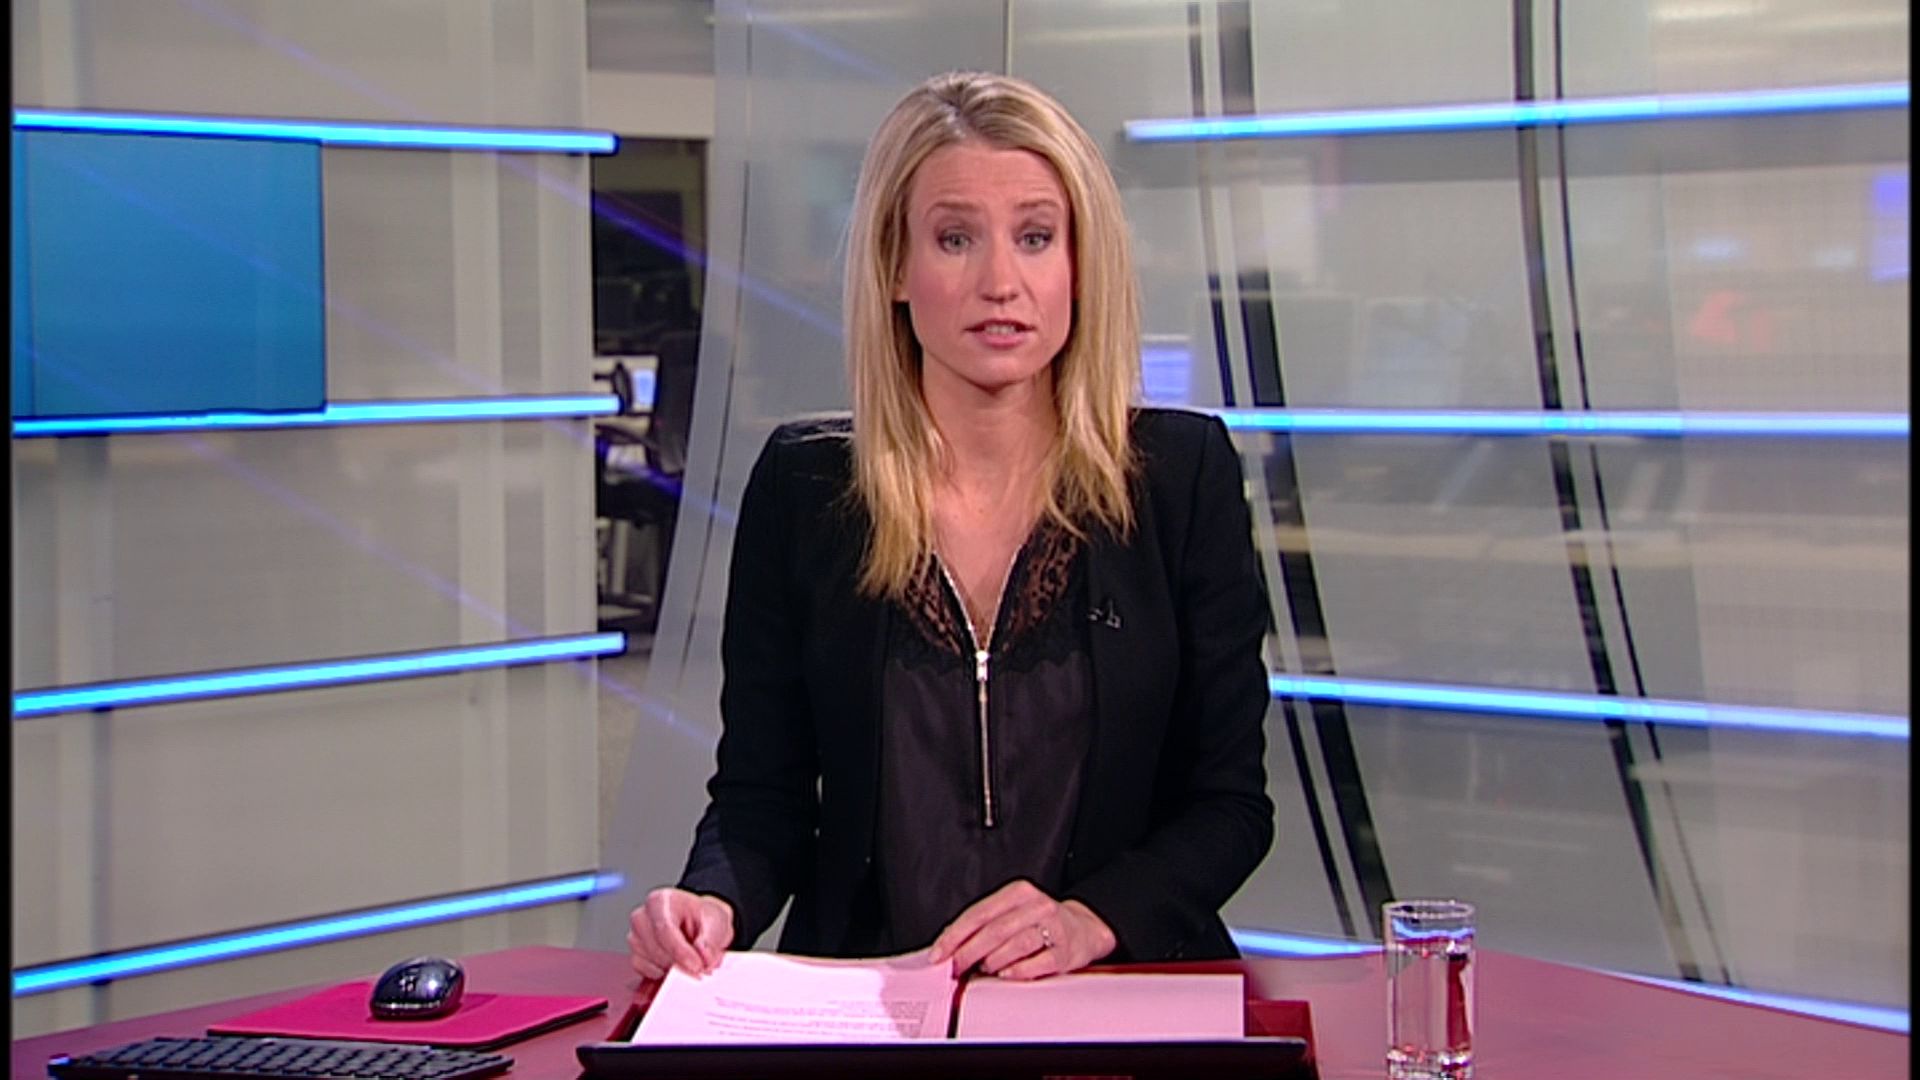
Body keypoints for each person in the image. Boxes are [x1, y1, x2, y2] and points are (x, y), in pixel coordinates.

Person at [627, 70, 1272, 983]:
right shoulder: (805, 489)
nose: (1001, 282)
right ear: (895, 266)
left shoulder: (1179, 477)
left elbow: (1229, 805)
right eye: (955, 238)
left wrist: (1090, 920)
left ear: (1080, 264)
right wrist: (711, 901)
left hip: (1114, 994)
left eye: (1036, 237)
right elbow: (762, 798)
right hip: (874, 1003)